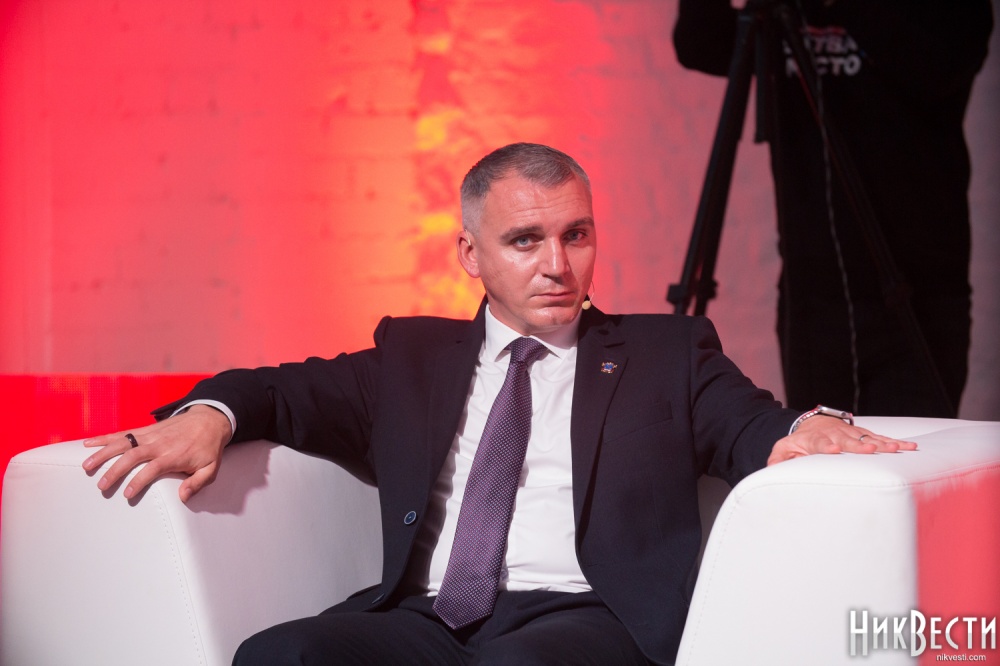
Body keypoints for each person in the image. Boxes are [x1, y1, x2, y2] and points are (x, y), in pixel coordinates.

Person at [82, 143, 915, 665]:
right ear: (470, 254)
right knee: (281, 654)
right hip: (428, 618)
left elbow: (751, 423)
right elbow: (278, 390)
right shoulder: (410, 357)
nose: (558, 265)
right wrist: (210, 416)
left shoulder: (667, 353)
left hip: (588, 618)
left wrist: (807, 428)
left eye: (576, 235)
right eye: (525, 241)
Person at [673, 0, 993, 417]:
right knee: (819, 454)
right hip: (813, 297)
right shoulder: (784, 12)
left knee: (914, 452)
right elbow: (699, 44)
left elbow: (944, 65)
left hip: (919, 293)